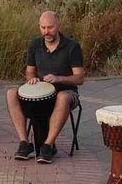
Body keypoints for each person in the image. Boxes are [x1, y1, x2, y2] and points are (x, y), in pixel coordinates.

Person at [6, 11, 85, 162]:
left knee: (62, 97)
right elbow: (29, 72)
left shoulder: (72, 46)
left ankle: (48, 145)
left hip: (67, 93)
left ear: (58, 25)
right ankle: (24, 143)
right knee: (11, 93)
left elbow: (79, 78)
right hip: (41, 92)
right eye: (43, 28)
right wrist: (32, 79)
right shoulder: (35, 44)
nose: (46, 32)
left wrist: (59, 78)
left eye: (50, 27)